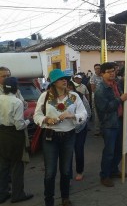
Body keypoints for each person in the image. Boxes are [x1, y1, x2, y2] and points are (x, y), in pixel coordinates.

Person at [33, 69, 87, 206]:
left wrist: (72, 115)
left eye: (65, 78)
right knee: (50, 172)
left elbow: (83, 113)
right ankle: (49, 201)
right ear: (53, 82)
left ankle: (65, 197)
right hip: (50, 137)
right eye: (61, 79)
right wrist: (46, 119)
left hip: (68, 136)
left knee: (66, 170)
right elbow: (36, 115)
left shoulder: (73, 96)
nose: (65, 80)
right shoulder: (45, 96)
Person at [94, 62, 127, 187]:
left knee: (119, 149)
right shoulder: (100, 90)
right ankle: (104, 175)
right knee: (109, 151)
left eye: (113, 71)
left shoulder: (116, 85)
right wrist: (120, 99)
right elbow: (105, 108)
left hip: (119, 120)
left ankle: (114, 170)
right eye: (109, 71)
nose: (112, 73)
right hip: (109, 124)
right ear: (102, 74)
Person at [0, 77, 34, 204]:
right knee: (17, 166)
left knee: (3, 166)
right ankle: (18, 194)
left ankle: (2, 193)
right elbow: (19, 125)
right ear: (16, 88)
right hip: (14, 135)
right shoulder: (17, 102)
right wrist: (28, 120)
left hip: (2, 133)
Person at [67, 80, 91, 181]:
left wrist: (81, 123)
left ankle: (80, 171)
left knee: (79, 150)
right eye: (66, 87)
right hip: (67, 130)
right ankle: (67, 173)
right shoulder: (61, 99)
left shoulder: (79, 96)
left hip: (80, 129)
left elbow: (88, 112)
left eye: (70, 87)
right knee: (67, 153)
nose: (68, 89)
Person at [90, 64, 102, 136]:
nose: (98, 70)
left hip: (103, 98)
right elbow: (93, 89)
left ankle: (103, 129)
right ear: (94, 69)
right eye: (96, 68)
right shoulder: (93, 77)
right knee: (97, 114)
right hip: (96, 98)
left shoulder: (103, 76)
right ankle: (97, 130)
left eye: (99, 68)